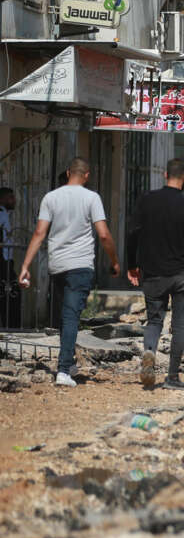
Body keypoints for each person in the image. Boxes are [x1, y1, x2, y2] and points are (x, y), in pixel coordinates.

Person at [17, 158, 119, 387]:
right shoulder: (92, 198)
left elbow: (39, 233)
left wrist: (25, 266)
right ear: (87, 175)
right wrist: (114, 261)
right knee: (72, 315)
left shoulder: (50, 197)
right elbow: (103, 234)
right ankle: (64, 370)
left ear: (67, 172)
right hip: (80, 266)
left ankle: (68, 362)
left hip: (57, 265)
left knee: (66, 315)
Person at [126, 159, 184, 390]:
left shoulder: (146, 200)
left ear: (165, 174)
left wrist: (132, 264)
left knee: (154, 320)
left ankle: (148, 351)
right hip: (179, 275)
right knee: (178, 325)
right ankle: (173, 377)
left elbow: (132, 234)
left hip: (152, 273)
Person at [0, 187, 20, 328]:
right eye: (10, 197)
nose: (13, 200)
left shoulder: (5, 214)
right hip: (3, 261)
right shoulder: (1, 214)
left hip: (7, 260)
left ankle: (9, 326)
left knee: (9, 294)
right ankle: (11, 327)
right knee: (11, 294)